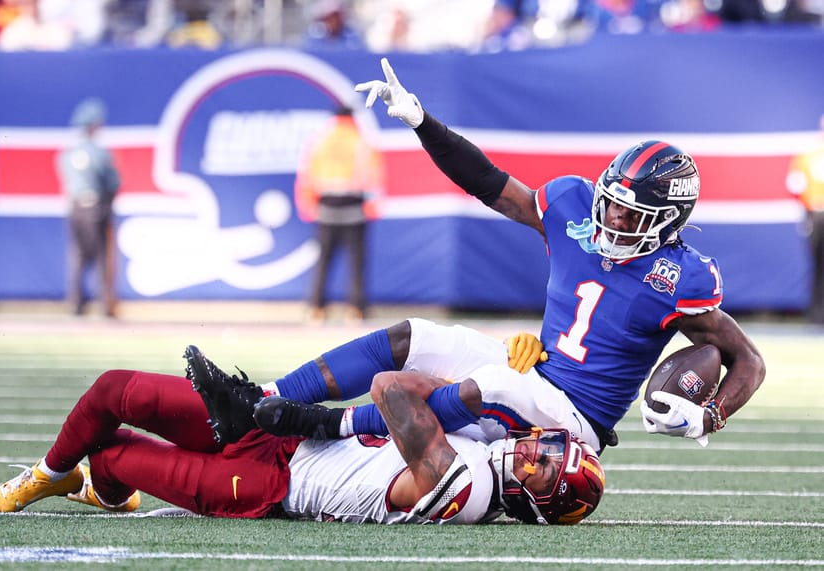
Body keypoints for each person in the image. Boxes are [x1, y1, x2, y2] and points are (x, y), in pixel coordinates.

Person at [348, 58, 765, 448]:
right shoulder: (574, 209)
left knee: (485, 388)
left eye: (632, 214)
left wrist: (709, 416)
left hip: (574, 424)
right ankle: (288, 398)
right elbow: (489, 183)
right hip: (536, 381)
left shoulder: (677, 277)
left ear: (668, 220)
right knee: (417, 339)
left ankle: (345, 425)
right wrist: (423, 123)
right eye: (612, 204)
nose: (615, 219)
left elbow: (748, 359)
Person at [0, 346, 605, 526]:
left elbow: (388, 387)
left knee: (114, 452)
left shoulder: (467, 491)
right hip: (283, 435)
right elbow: (431, 397)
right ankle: (58, 477)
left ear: (533, 503)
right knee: (116, 389)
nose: (535, 451)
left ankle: (91, 483)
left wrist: (482, 375)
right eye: (550, 446)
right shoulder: (494, 449)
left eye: (545, 468)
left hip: (273, 483)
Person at [294, 104, 384, 323]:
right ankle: (356, 309)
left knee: (323, 261)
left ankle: (316, 308)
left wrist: (307, 205)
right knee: (356, 261)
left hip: (325, 208)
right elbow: (374, 176)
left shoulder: (321, 141)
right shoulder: (361, 141)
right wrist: (373, 206)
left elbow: (306, 175)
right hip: (354, 208)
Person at [56, 97, 121, 318]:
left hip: (74, 208)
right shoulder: (99, 153)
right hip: (96, 208)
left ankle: (75, 304)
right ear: (94, 125)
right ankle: (105, 305)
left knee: (78, 257)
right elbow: (113, 183)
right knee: (102, 257)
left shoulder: (67, 154)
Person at [786, 113, 824, 325]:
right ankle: (818, 315)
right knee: (818, 265)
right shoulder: (807, 155)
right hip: (816, 213)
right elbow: (795, 185)